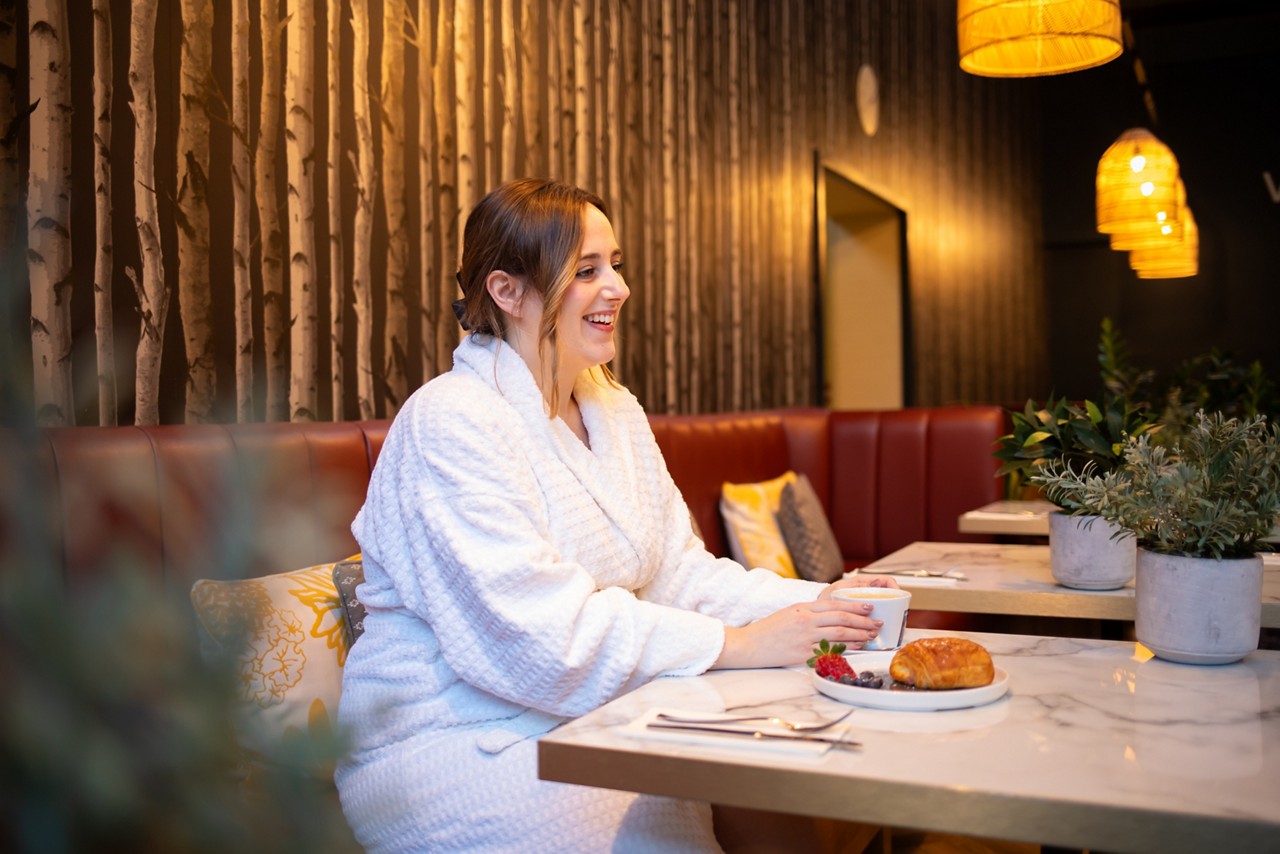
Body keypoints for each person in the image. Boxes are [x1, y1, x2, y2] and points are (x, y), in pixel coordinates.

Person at [335, 178, 896, 852]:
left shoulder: (611, 408)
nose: (618, 288)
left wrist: (823, 604)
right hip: (454, 740)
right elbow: (536, 638)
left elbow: (680, 574)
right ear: (505, 290)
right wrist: (741, 644)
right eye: (586, 270)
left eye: (616, 265)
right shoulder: (450, 420)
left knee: (783, 766)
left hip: (591, 712)